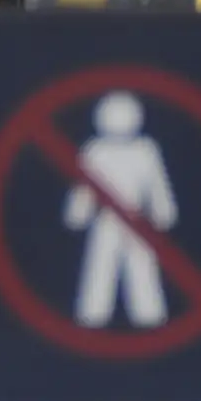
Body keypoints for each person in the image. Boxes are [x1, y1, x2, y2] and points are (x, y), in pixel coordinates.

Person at [66, 89, 179, 329]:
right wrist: (78, 211)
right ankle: (92, 314)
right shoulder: (95, 150)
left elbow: (157, 183)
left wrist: (163, 210)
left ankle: (149, 315)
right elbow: (85, 186)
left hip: (137, 219)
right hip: (107, 219)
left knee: (141, 265)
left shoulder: (146, 150)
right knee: (100, 265)